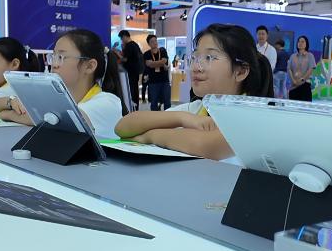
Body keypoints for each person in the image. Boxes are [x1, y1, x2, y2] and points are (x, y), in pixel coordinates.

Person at [114, 23, 273, 160]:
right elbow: (123, 126)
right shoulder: (196, 110)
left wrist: (150, 136)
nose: (196, 67)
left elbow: (204, 145)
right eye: (195, 57)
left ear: (241, 71)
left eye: (210, 58)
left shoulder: (253, 117)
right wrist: (182, 118)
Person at [0, 29, 125, 138]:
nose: (54, 64)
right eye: (53, 56)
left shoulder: (108, 102)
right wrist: (10, 102)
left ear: (89, 66)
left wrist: (7, 114)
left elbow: (60, 121)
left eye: (61, 57)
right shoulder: (55, 97)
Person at [144, 35, 171, 110]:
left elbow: (164, 61)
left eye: (155, 40)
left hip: (164, 80)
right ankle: (154, 116)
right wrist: (160, 63)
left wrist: (153, 63)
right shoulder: (147, 54)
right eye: (152, 41)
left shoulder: (162, 51)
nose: (155, 43)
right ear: (149, 44)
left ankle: (168, 116)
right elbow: (149, 64)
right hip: (153, 81)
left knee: (167, 102)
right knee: (154, 102)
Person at [118, 30, 143, 111]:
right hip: (135, 72)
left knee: (131, 90)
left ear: (125, 36)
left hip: (130, 72)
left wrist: (116, 53)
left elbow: (125, 59)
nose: (122, 40)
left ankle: (131, 107)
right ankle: (135, 107)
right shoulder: (135, 45)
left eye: (122, 38)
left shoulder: (129, 46)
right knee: (135, 90)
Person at [288, 35, 316, 101]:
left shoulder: (310, 56)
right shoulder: (293, 56)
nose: (300, 43)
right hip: (293, 86)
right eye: (299, 41)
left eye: (302, 42)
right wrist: (294, 81)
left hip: (305, 85)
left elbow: (310, 69)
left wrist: (302, 80)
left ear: (306, 44)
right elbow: (289, 69)